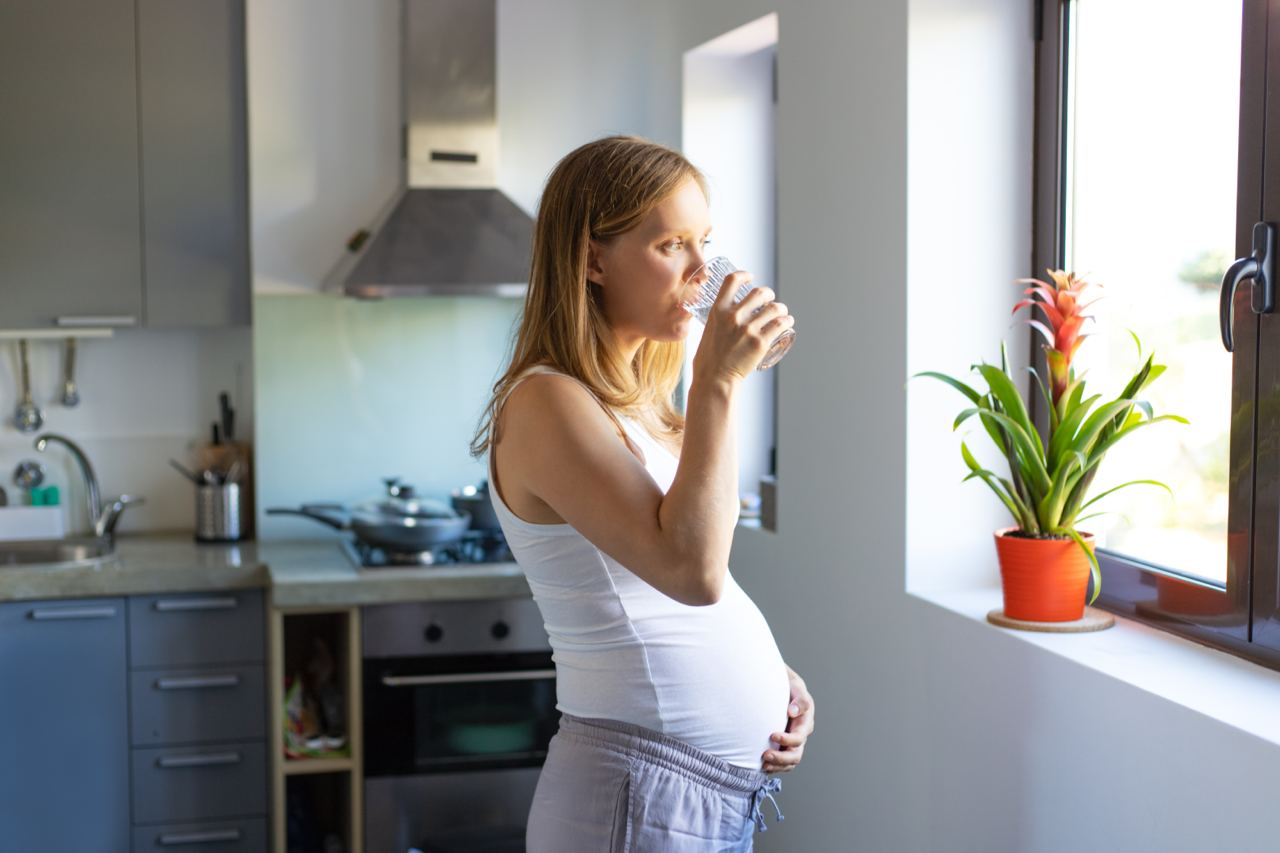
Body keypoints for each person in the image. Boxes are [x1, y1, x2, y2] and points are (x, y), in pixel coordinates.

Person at [470, 135, 815, 852]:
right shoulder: (545, 402)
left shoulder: (645, 408)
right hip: (633, 796)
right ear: (593, 259)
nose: (701, 272)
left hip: (697, 795)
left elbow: (686, 575)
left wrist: (770, 676)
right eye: (672, 245)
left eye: (706, 243)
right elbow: (691, 571)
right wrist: (719, 380)